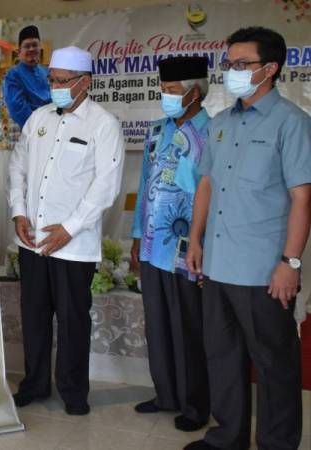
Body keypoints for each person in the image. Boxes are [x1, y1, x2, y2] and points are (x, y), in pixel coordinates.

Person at [185, 27, 311, 450]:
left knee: (274, 365)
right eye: (229, 64)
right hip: (218, 264)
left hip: (263, 271)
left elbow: (302, 198)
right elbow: (206, 185)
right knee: (223, 360)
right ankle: (227, 438)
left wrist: (290, 263)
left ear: (270, 69)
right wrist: (196, 240)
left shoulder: (291, 124)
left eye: (242, 65)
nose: (232, 72)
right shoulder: (220, 124)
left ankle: (276, 444)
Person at [7, 46, 125, 415]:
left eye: (61, 81)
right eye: (51, 79)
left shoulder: (103, 124)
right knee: (35, 316)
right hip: (32, 241)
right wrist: (18, 213)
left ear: (84, 82)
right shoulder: (38, 118)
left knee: (73, 320)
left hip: (73, 246)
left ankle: (74, 391)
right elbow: (18, 168)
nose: (54, 86)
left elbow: (106, 185)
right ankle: (35, 383)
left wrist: (70, 228)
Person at [131, 56, 210, 432]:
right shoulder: (154, 130)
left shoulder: (211, 133)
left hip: (186, 250)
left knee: (189, 329)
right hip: (151, 246)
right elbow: (145, 185)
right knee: (158, 325)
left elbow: (212, 195)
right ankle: (165, 394)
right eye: (163, 90)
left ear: (194, 93)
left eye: (172, 91)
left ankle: (195, 406)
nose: (166, 96)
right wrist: (134, 237)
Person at [3, 25, 51, 128]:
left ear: (40, 48)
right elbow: (17, 108)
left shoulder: (46, 71)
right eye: (27, 46)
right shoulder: (13, 75)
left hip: (53, 125)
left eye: (35, 45)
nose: (31, 49)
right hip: (31, 129)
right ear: (19, 51)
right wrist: (40, 127)